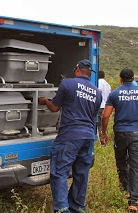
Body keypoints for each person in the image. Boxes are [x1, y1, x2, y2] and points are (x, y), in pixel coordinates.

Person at [39, 59, 101, 213]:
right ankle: (77, 207)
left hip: (70, 136)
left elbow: (54, 107)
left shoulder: (67, 84)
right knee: (81, 174)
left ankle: (61, 209)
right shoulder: (97, 92)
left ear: (77, 69)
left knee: (60, 172)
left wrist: (45, 101)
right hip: (88, 136)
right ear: (89, 73)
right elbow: (93, 117)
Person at [100, 68, 138, 212]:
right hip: (137, 134)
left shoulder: (115, 93)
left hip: (120, 133)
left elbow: (105, 115)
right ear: (133, 78)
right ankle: (133, 201)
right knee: (135, 166)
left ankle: (126, 189)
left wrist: (103, 133)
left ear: (120, 79)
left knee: (121, 162)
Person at [97, 70, 111, 137]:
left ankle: (101, 138)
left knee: (99, 124)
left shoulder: (99, 82)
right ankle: (105, 137)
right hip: (105, 106)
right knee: (104, 124)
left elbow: (99, 91)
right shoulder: (107, 84)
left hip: (100, 106)